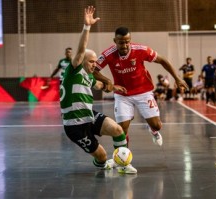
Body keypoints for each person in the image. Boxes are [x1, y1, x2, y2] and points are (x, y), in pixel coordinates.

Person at [60, 6, 137, 174]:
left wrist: (113, 86)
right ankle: (104, 164)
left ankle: (123, 165)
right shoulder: (73, 71)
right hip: (75, 125)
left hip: (88, 115)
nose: (94, 64)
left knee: (118, 130)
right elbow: (80, 51)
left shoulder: (89, 76)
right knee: (102, 157)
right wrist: (87, 27)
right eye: (91, 62)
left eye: (95, 61)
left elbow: (100, 85)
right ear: (81, 61)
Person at [94, 27, 188, 146]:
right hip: (123, 95)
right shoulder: (108, 54)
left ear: (130, 40)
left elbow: (162, 60)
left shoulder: (141, 50)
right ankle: (123, 159)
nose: (125, 45)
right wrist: (108, 81)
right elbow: (93, 70)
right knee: (121, 130)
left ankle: (153, 131)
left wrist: (177, 78)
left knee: (157, 125)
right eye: (121, 42)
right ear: (115, 41)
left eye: (127, 42)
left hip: (143, 91)